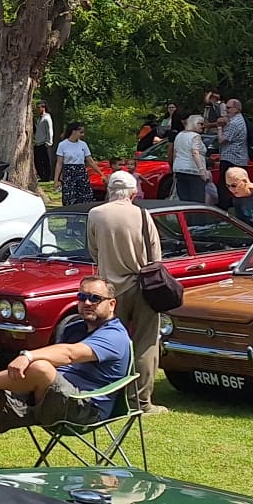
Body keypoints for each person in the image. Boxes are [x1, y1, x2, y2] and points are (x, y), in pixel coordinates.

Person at [0, 275, 132, 470]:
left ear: (111, 304)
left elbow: (70, 354)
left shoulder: (114, 335)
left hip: (84, 409)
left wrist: (28, 355)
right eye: (82, 296)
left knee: (40, 368)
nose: (87, 302)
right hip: (48, 400)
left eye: (95, 298)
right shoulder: (75, 327)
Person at [87, 171, 162, 413]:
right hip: (142, 287)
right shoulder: (142, 214)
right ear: (132, 192)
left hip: (108, 291)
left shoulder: (96, 214)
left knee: (107, 344)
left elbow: (93, 250)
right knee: (146, 344)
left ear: (110, 190)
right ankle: (141, 401)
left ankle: (108, 396)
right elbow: (156, 255)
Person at [171, 115, 208, 203]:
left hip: (179, 169)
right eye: (201, 124)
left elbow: (175, 153)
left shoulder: (179, 135)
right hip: (193, 170)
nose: (203, 126)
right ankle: (196, 217)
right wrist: (202, 170)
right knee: (197, 200)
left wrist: (174, 169)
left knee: (184, 200)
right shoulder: (195, 136)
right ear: (194, 124)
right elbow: (195, 152)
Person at [54, 123, 94, 205]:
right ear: (74, 131)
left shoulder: (83, 144)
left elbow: (90, 160)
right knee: (69, 197)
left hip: (81, 172)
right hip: (68, 173)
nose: (82, 134)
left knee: (85, 196)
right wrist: (56, 180)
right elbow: (59, 163)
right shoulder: (62, 145)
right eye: (81, 132)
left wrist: (101, 174)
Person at [33, 102, 56, 183]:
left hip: (44, 143)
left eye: (39, 107)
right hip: (37, 143)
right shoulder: (39, 119)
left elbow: (50, 130)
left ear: (43, 108)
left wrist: (49, 142)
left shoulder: (47, 118)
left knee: (45, 160)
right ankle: (41, 175)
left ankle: (47, 177)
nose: (37, 109)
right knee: (37, 160)